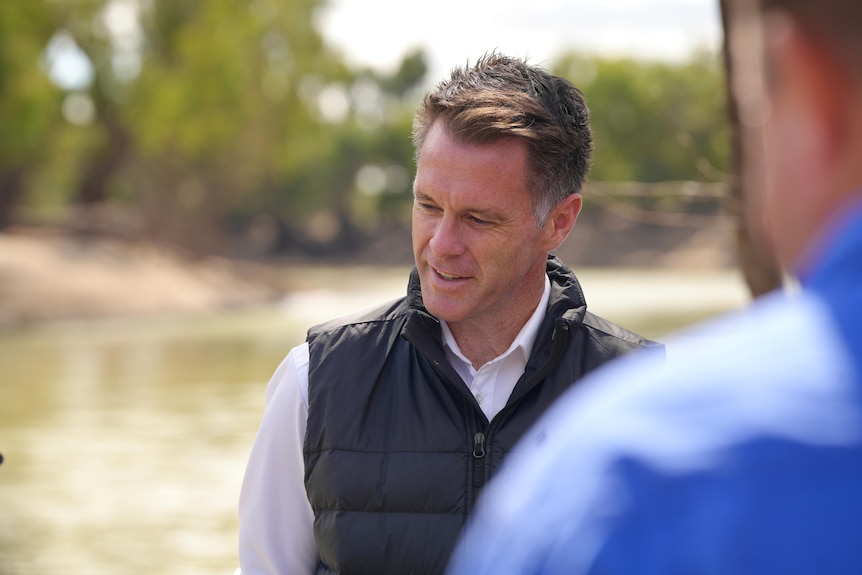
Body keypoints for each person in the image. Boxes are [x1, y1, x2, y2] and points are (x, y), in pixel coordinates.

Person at [446, 2, 862, 574]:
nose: (442, 243)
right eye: (425, 205)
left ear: (813, 90)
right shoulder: (320, 374)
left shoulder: (624, 479)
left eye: (754, 107)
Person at [235, 53, 660, 575]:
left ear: (559, 222)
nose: (441, 244)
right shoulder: (313, 382)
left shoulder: (650, 394)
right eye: (428, 206)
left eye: (478, 219)